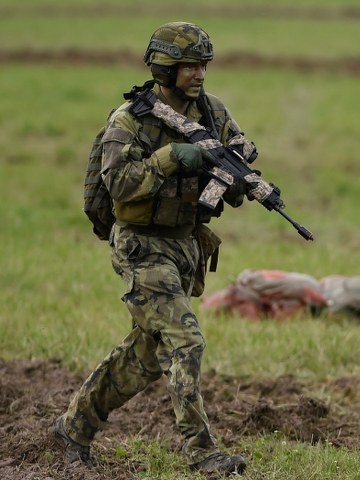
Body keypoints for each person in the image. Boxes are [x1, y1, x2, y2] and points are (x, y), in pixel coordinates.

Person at [51, 22, 256, 476]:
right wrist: (169, 158)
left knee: (144, 357)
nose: (200, 73)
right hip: (141, 248)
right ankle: (203, 453)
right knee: (186, 342)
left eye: (204, 64)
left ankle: (74, 426)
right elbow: (119, 184)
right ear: (165, 68)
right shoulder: (130, 119)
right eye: (190, 66)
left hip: (185, 246)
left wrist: (236, 181)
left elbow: (234, 160)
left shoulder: (213, 112)